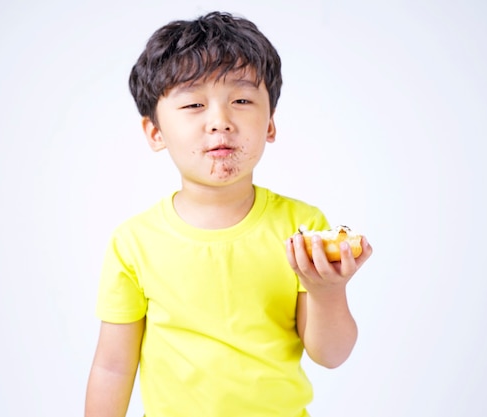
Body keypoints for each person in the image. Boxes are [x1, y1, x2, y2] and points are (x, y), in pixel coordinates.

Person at [84, 11, 373, 417]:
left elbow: (331, 355)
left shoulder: (303, 229)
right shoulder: (133, 242)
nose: (220, 121)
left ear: (269, 123)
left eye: (241, 100)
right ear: (155, 132)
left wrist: (328, 291)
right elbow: (112, 367)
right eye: (194, 104)